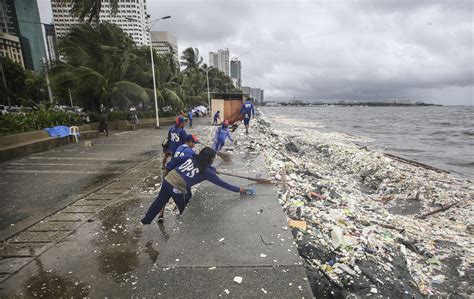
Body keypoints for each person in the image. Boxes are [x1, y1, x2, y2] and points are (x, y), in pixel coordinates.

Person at [141, 147, 250, 224]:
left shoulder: (191, 157)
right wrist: (238, 189)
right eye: (213, 158)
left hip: (168, 179)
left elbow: (176, 159)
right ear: (209, 159)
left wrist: (168, 167)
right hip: (177, 188)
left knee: (159, 201)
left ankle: (146, 220)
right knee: (186, 209)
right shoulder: (207, 172)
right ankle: (186, 228)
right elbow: (222, 184)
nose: (214, 159)